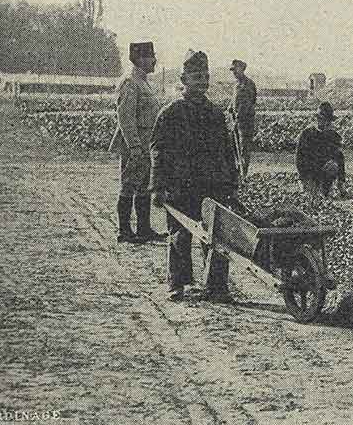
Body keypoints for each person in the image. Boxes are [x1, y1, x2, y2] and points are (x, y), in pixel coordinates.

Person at [151, 51, 240, 303]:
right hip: (181, 186)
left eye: (206, 77)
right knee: (179, 234)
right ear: (183, 79)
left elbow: (227, 151)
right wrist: (158, 187)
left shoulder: (215, 114)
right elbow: (158, 151)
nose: (202, 81)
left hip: (213, 185)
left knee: (218, 236)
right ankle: (177, 284)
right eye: (196, 76)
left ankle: (217, 286)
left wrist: (231, 182)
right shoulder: (170, 113)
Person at [108, 41, 165, 243]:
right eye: (151, 57)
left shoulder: (143, 81)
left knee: (143, 185)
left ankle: (144, 229)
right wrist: (134, 146)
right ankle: (124, 231)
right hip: (135, 144)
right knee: (128, 185)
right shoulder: (130, 82)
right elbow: (126, 118)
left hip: (145, 143)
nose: (155, 61)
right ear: (140, 59)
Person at [296, 102, 347, 197]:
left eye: (327, 121)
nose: (324, 122)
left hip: (323, 172)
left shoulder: (333, 136)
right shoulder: (307, 134)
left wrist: (341, 182)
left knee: (333, 166)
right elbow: (300, 160)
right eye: (320, 119)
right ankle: (311, 187)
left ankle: (325, 189)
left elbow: (340, 158)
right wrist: (304, 179)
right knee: (312, 196)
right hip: (309, 172)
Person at [227, 59, 257, 176]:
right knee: (234, 147)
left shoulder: (248, 84)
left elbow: (249, 102)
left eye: (235, 69)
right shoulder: (236, 85)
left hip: (245, 122)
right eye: (232, 70)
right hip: (235, 121)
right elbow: (234, 101)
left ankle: (243, 174)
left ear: (242, 69)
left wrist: (239, 117)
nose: (234, 72)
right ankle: (236, 172)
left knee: (244, 148)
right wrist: (230, 107)